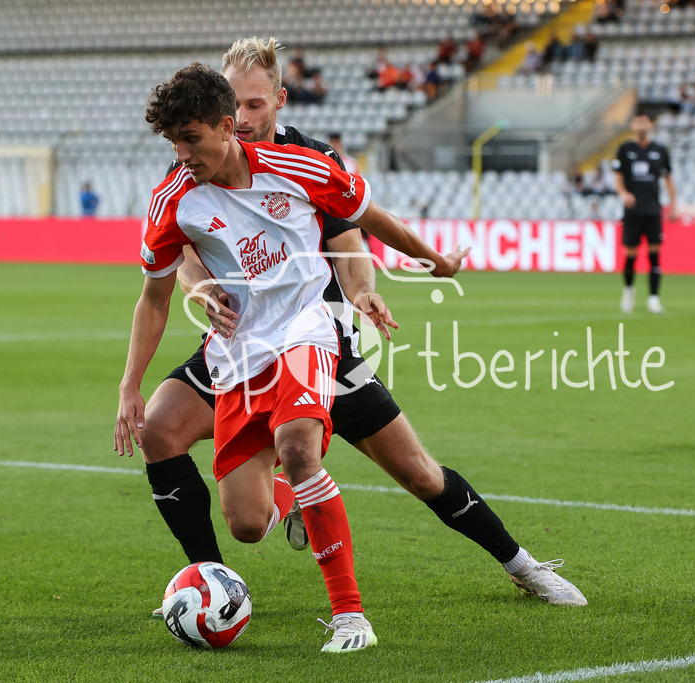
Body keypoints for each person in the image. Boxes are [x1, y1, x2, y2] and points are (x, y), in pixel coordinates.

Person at [128, 36, 586, 637]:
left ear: (277, 102)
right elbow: (179, 256)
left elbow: (351, 239)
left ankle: (521, 564)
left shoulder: (306, 161)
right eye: (235, 103)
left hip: (319, 339)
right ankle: (214, 582)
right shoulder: (189, 169)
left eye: (254, 105)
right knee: (167, 437)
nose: (244, 117)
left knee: (419, 474)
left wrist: (371, 286)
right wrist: (198, 288)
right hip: (241, 342)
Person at [115, 61, 468, 653]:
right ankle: (285, 507)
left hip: (307, 331)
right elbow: (153, 297)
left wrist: (435, 260)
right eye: (174, 142)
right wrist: (131, 385)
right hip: (239, 355)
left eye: (192, 140)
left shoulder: (297, 167)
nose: (183, 154)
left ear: (227, 127)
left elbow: (367, 217)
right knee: (248, 526)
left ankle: (351, 616)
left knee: (299, 449)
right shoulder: (173, 201)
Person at [612, 111, 677, 314]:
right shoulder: (624, 149)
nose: (641, 125)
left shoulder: (660, 150)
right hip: (632, 211)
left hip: (653, 210)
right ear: (632, 125)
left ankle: (654, 298)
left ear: (650, 125)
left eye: (644, 122)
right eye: (637, 121)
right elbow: (618, 176)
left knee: (654, 255)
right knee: (630, 255)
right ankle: (629, 290)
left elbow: (668, 179)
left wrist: (673, 204)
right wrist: (623, 193)